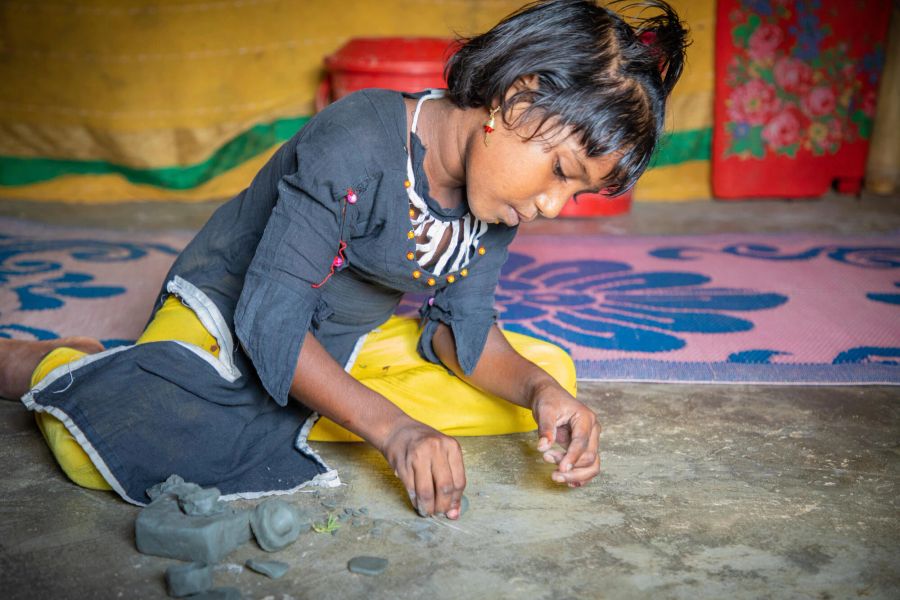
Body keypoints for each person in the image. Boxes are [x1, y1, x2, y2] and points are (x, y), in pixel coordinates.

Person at [1, 0, 687, 519]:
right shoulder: (354, 142)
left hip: (338, 342)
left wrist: (541, 394)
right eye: (562, 172)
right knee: (122, 441)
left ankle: (310, 408)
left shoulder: (496, 197)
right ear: (516, 99)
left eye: (578, 191)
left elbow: (461, 332)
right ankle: (71, 363)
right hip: (233, 319)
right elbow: (269, 321)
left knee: (551, 381)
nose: (553, 206)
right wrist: (393, 429)